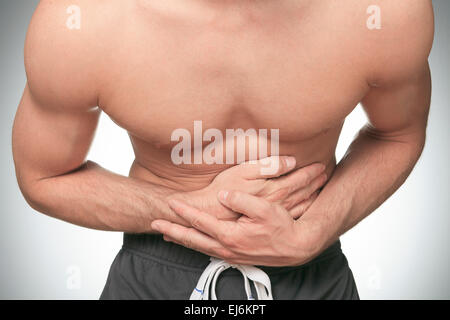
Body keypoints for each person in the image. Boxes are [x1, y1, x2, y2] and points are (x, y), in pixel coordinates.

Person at [12, 0, 434, 299]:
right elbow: (43, 177)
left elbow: (398, 134)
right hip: (156, 275)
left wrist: (314, 231)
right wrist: (189, 207)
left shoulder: (383, 11)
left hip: (311, 272)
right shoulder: (83, 20)